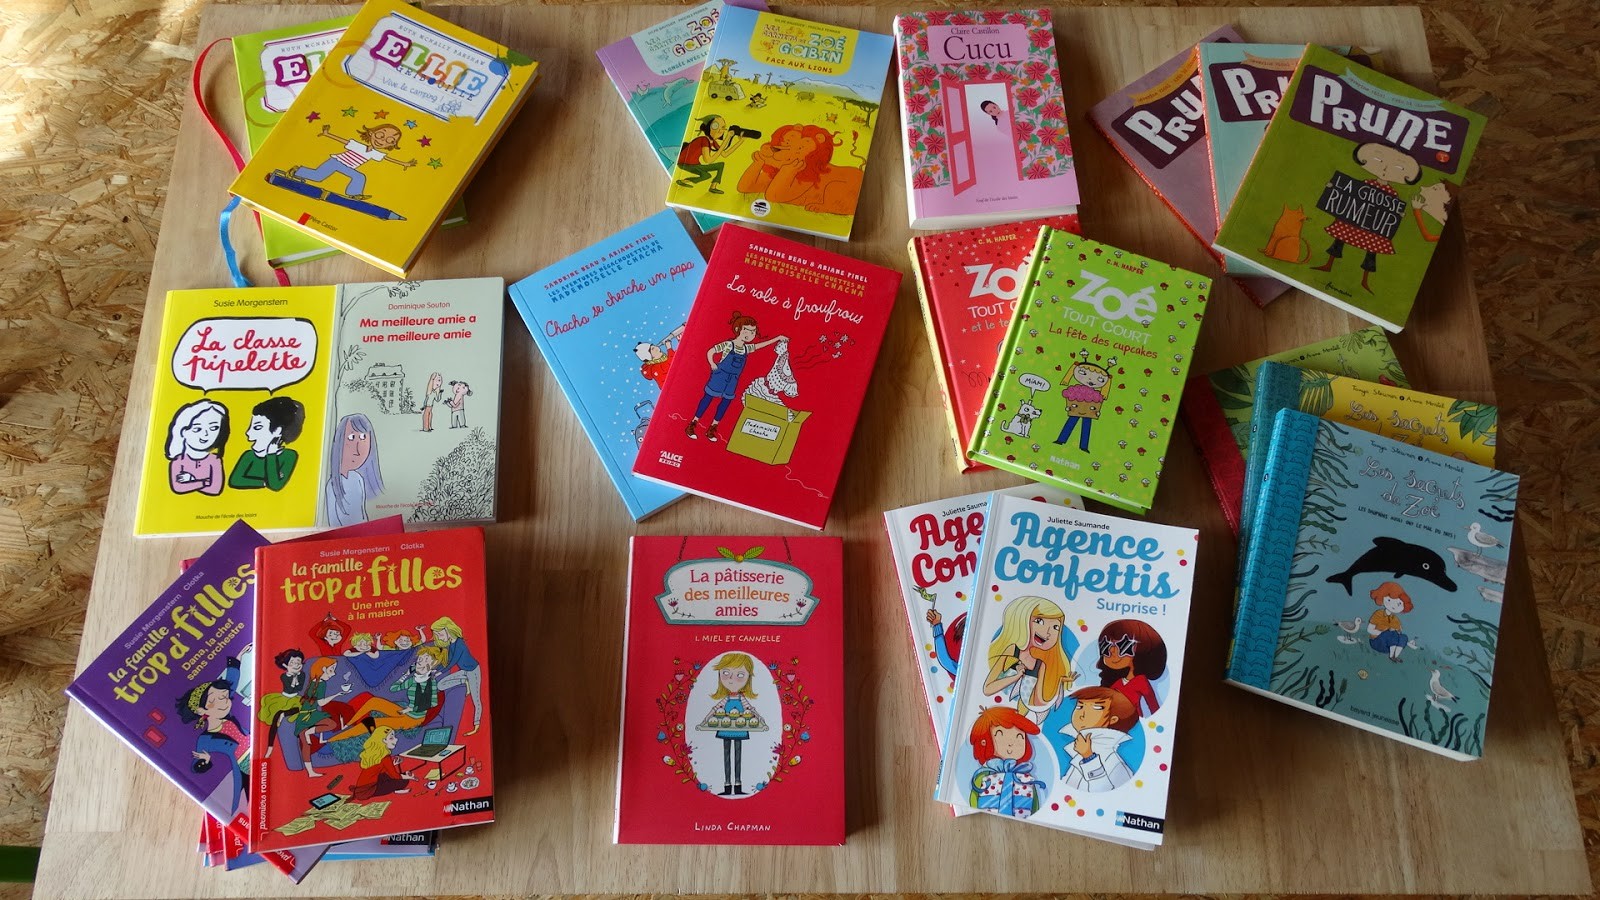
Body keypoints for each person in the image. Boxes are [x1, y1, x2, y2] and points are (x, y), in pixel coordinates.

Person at [1309, 142, 1423, 293]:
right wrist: (1333, 188)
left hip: (1373, 228)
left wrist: (1399, 214)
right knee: (1339, 238)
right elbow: (1351, 195)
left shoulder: (1392, 193)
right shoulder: (1367, 183)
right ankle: (1328, 264)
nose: (1385, 168)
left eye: (1399, 168)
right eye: (1378, 160)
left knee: (1371, 252)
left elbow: (1391, 208)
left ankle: (1365, 280)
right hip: (1354, 221)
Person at [684, 312, 785, 443]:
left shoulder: (746, 348)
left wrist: (777, 338)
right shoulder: (728, 344)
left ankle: (712, 427)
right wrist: (712, 364)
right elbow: (711, 351)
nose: (750, 334)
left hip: (733, 380)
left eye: (753, 332)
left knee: (725, 402)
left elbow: (761, 345)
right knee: (708, 398)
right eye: (746, 330)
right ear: (738, 329)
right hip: (720, 375)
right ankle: (693, 424)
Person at [325, 645, 448, 742]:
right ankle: (347, 724)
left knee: (371, 722)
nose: (421, 660)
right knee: (374, 701)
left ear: (432, 664)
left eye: (426, 659)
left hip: (413, 719)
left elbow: (431, 703)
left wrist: (412, 708)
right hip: (404, 712)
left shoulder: (430, 682)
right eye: (421, 657)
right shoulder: (413, 679)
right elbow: (394, 688)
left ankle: (330, 740)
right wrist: (405, 675)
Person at [175, 654, 249, 814]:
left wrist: (237, 660)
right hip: (246, 766)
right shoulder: (205, 739)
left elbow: (231, 683)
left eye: (226, 697)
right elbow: (196, 766)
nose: (225, 702)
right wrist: (205, 761)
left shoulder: (228, 717)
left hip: (259, 750)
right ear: (201, 710)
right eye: (218, 699)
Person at [982, 595, 1074, 723]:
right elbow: (987, 689)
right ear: (1023, 620)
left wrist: (1059, 682)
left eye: (1055, 627)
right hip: (997, 713)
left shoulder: (1041, 664)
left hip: (1019, 717)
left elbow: (1038, 701)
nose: (1048, 632)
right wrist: (1015, 677)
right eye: (1039, 621)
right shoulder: (1012, 650)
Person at [286, 124, 415, 200]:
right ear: (371, 133)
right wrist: (327, 134)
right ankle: (297, 171)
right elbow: (343, 141)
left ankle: (354, 194)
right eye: (381, 136)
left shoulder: (376, 154)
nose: (382, 141)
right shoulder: (358, 145)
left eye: (390, 141)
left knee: (359, 177)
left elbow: (388, 159)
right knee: (318, 176)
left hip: (348, 167)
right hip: (336, 161)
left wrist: (404, 163)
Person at [967, 705, 1043, 818]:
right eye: (1000, 735)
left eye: (1019, 736)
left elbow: (1034, 804)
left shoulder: (1025, 777)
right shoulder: (983, 775)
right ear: (984, 741)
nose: (1011, 742)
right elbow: (974, 799)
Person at [706, 652, 764, 796]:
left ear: (748, 678)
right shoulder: (726, 698)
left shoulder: (742, 698)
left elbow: (750, 708)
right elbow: (716, 708)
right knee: (726, 755)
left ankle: (738, 784)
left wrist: (760, 718)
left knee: (738, 755)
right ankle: (727, 784)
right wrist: (706, 719)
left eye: (740, 675)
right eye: (726, 673)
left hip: (740, 727)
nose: (732, 680)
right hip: (725, 728)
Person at [1060, 686, 1137, 792]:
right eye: (1080, 706)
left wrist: (1089, 757)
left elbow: (1105, 793)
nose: (1082, 715)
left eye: (1096, 708)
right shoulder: (1079, 755)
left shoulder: (1114, 763)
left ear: (1113, 719)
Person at [287, 657, 353, 777]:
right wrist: (336, 694)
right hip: (306, 716)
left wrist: (338, 694)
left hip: (313, 713)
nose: (334, 673)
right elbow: (321, 703)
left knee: (331, 724)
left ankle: (309, 732)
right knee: (306, 744)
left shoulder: (318, 682)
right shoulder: (319, 683)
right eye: (331, 670)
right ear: (323, 669)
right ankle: (310, 772)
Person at [1094, 619, 1167, 719]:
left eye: (1123, 646)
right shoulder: (1118, 683)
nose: (1112, 652)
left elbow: (1153, 705)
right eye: (1106, 646)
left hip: (1133, 720)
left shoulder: (1141, 681)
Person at [229, 395, 304, 491]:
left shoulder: (289, 456)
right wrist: (264, 483)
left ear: (277, 431)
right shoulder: (248, 455)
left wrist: (271, 455)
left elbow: (275, 485)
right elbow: (235, 480)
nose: (248, 432)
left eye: (257, 427)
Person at [324, 413, 384, 526]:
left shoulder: (357, 478)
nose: (358, 447)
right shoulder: (332, 486)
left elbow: (363, 517)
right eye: (351, 437)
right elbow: (333, 524)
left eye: (363, 437)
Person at [165, 399, 229, 495]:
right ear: (183, 431)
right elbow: (178, 488)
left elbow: (215, 489)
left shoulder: (214, 460)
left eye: (214, 428)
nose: (206, 434)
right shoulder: (178, 461)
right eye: (197, 429)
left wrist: (192, 479)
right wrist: (205, 482)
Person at [432, 616, 483, 735]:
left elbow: (453, 661)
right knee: (441, 685)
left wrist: (439, 672)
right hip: (464, 672)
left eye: (440, 634)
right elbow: (448, 660)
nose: (439, 637)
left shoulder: (460, 643)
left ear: (447, 629)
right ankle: (464, 682)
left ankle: (476, 725)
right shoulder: (451, 644)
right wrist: (435, 670)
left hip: (473, 671)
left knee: (476, 699)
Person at [675, 115, 745, 193]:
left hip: (694, 164)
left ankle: (713, 187)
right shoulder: (704, 140)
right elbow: (708, 160)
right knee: (706, 175)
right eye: (715, 126)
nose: (720, 130)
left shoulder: (712, 141)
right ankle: (683, 181)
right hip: (685, 163)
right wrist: (727, 137)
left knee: (720, 165)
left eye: (723, 127)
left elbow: (725, 154)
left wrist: (740, 141)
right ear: (708, 127)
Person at [258, 649, 306, 758]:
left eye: (298, 662)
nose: (296, 665)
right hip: (284, 698)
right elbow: (290, 688)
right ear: (285, 665)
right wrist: (293, 677)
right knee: (275, 718)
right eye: (292, 663)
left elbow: (299, 688)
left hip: (295, 699)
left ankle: (284, 714)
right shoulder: (284, 676)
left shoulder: (302, 675)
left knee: (302, 707)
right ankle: (269, 748)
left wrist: (296, 677)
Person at [1054, 359, 1111, 452]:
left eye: (1100, 379)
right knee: (1071, 421)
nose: (1090, 379)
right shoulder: (1075, 390)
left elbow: (1096, 405)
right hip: (1076, 407)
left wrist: (1096, 411)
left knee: (1086, 425)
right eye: (1082, 372)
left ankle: (1083, 446)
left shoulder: (1096, 395)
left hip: (1089, 410)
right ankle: (1061, 440)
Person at [350, 726, 414, 800]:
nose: (396, 739)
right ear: (384, 740)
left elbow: (377, 769)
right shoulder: (385, 757)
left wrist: (393, 764)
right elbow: (395, 776)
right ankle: (395, 789)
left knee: (389, 775)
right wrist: (410, 777)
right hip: (368, 790)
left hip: (362, 787)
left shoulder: (374, 753)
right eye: (391, 738)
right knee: (403, 781)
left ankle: (395, 788)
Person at [1367, 581, 1419, 661]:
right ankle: (1391, 656)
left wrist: (1407, 641)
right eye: (1389, 600)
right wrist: (1383, 632)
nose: (1394, 606)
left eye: (1399, 604)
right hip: (1377, 642)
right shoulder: (1378, 614)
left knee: (1403, 637)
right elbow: (1369, 630)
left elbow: (1398, 634)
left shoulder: (1395, 619)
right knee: (1391, 633)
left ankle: (1395, 656)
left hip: (1389, 646)